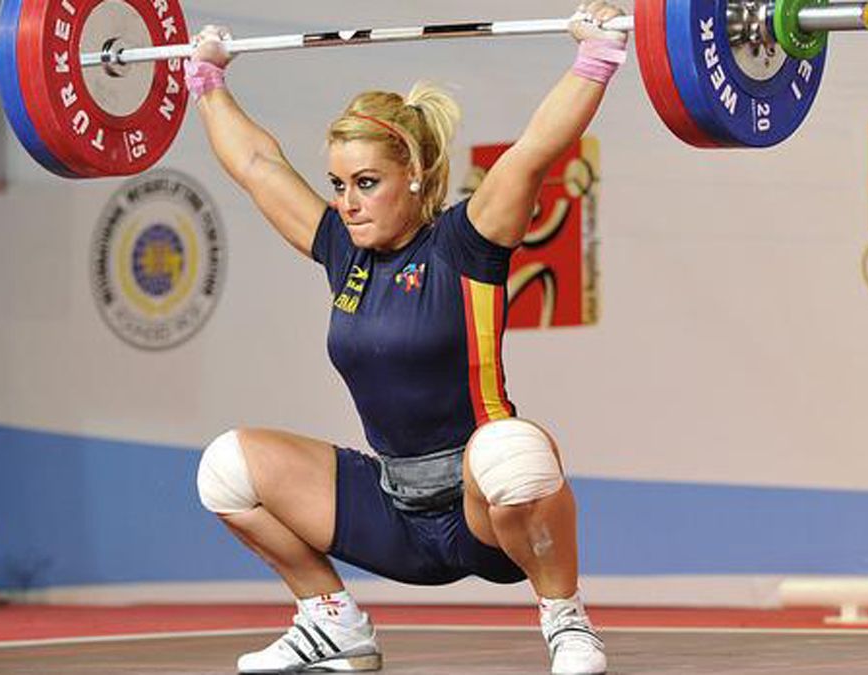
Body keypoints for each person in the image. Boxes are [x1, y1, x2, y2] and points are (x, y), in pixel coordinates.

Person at [190, 3, 627, 673]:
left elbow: (536, 149)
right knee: (227, 468)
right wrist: (208, 82)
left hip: (486, 511)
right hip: (394, 512)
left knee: (512, 451)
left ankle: (564, 616)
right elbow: (256, 164)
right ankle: (332, 622)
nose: (347, 202)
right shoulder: (344, 251)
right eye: (339, 184)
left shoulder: (466, 242)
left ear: (415, 175)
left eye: (366, 183)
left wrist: (595, 58)